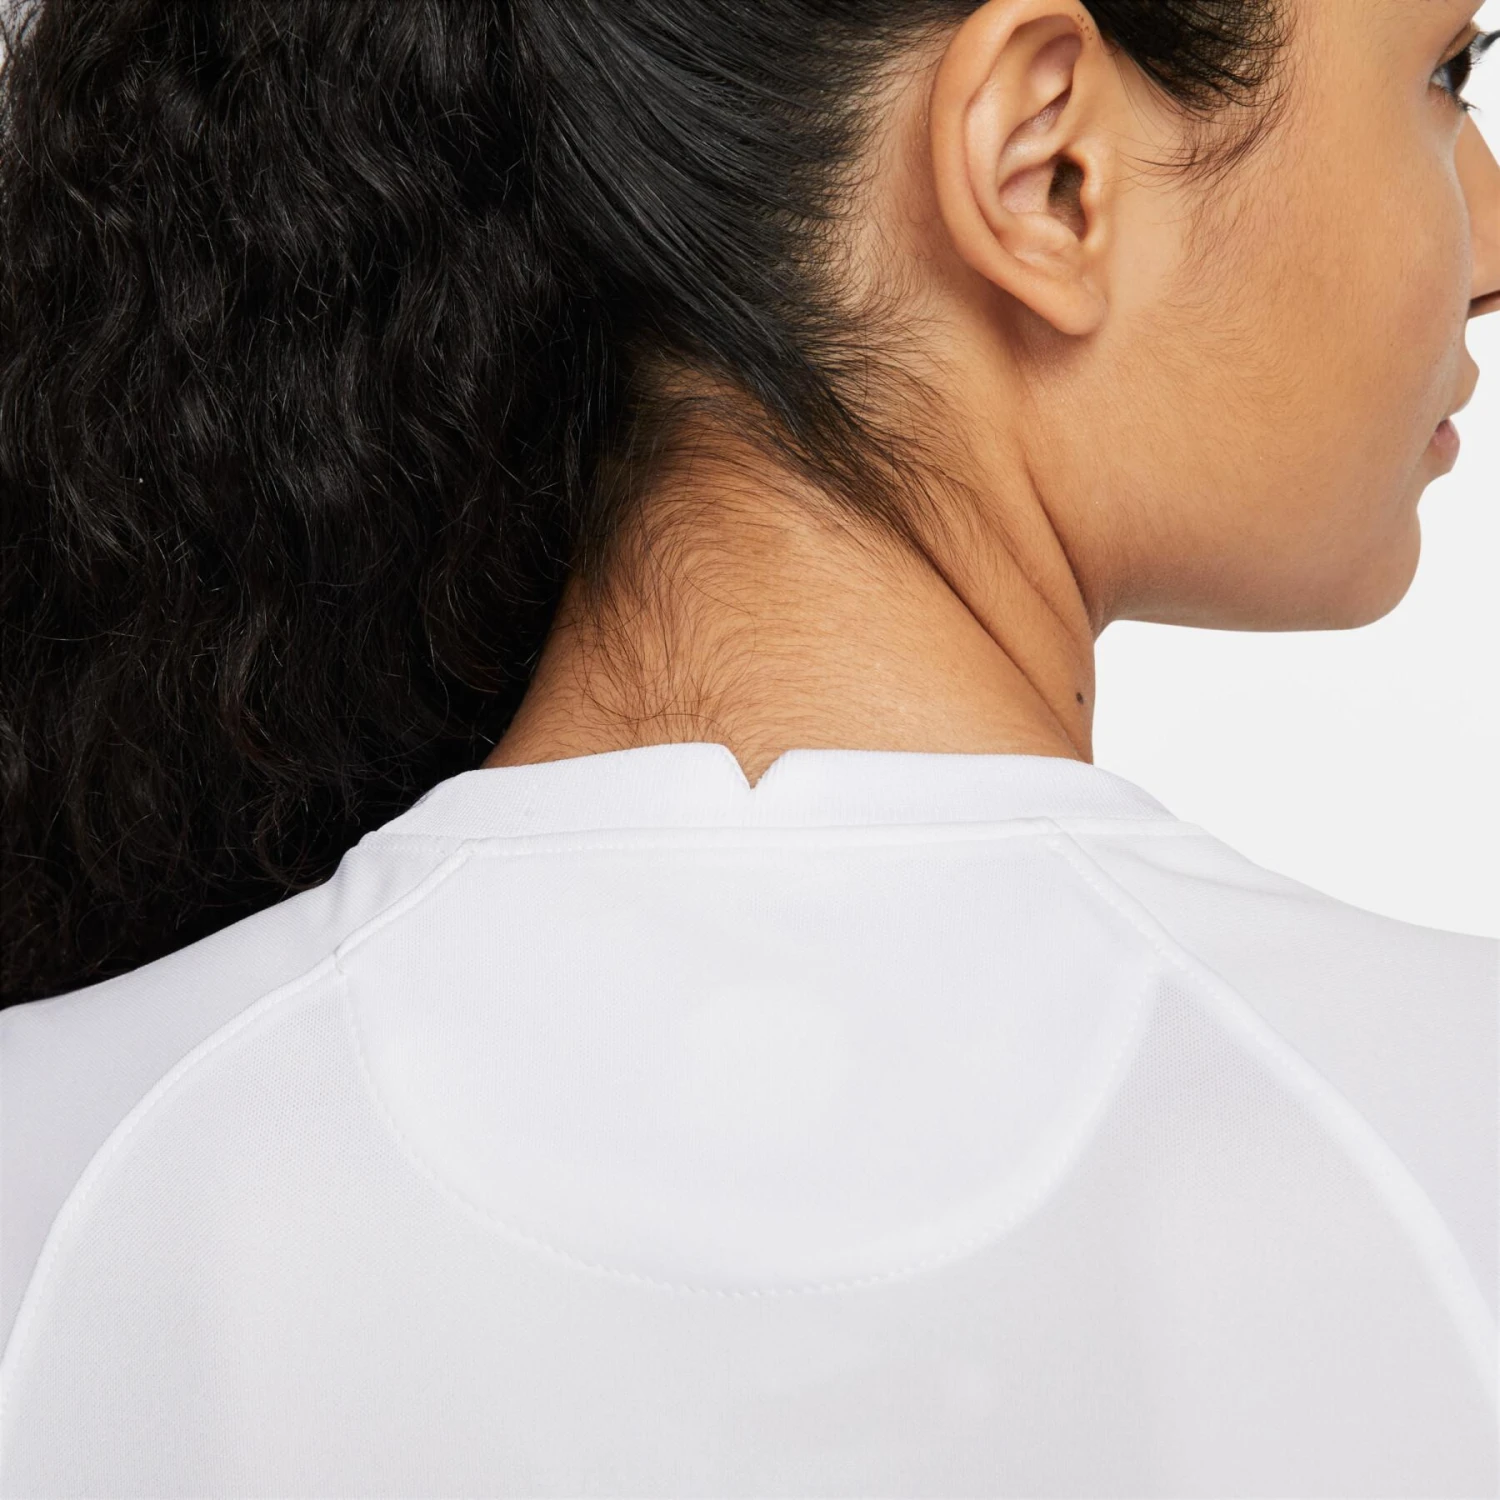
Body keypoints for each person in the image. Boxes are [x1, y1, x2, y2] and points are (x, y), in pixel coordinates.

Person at [0, 0, 1495, 1491]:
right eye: (1444, 74)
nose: (1491, 242)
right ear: (1046, 170)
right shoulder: (1452, 1149)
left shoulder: (57, 1182)